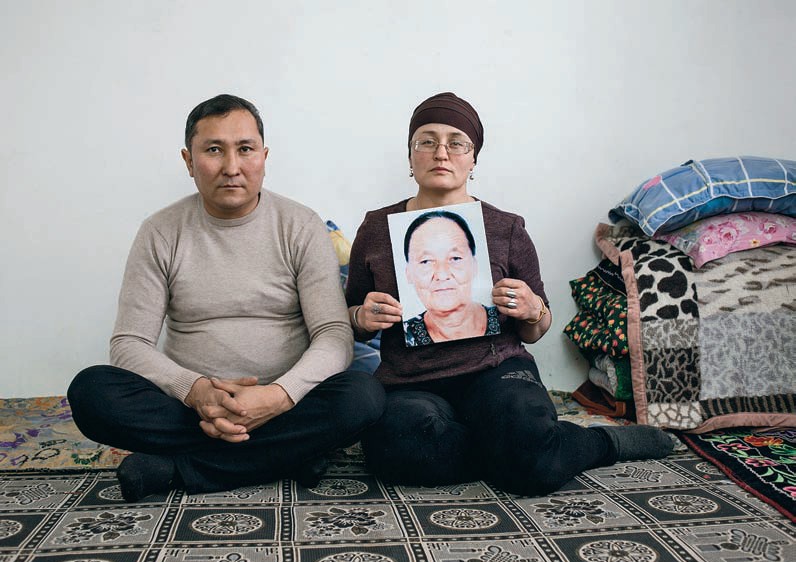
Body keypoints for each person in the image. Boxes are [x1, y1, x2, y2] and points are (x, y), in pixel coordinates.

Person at [345, 92, 673, 496]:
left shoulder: (506, 228)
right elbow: (352, 320)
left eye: (456, 143)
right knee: (396, 449)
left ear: (473, 159)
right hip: (411, 382)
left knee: (532, 463)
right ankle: (521, 448)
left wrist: (533, 309)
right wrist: (361, 316)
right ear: (410, 156)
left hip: (496, 371)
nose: (441, 152)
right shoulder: (377, 229)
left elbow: (536, 329)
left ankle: (601, 442)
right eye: (427, 141)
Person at [67, 94, 385, 502]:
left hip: (289, 404)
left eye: (245, 149)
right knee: (91, 392)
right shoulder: (160, 232)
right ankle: (287, 455)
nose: (232, 167)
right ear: (188, 161)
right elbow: (129, 343)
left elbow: (333, 333)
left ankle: (178, 469)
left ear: (264, 157)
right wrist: (198, 391)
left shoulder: (300, 225)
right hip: (190, 409)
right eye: (214, 150)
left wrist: (277, 396)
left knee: (363, 396)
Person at [401, 209, 499, 346]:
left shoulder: (501, 316)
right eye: (426, 261)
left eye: (455, 258)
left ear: (474, 266)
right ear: (408, 274)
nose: (442, 275)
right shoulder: (403, 333)